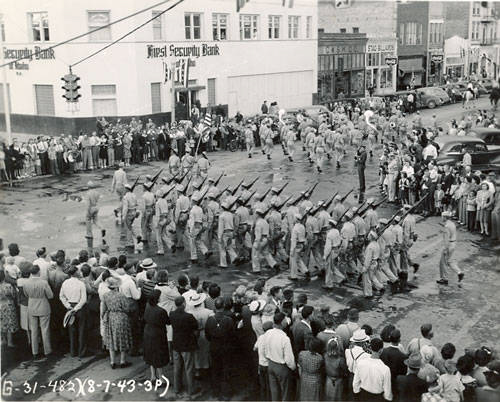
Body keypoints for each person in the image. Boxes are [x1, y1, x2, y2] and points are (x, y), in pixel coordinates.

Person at [169, 295, 199, 398]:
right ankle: (191, 389)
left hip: (176, 344)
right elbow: (196, 327)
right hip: (187, 344)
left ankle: (177, 388)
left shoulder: (172, 314)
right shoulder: (189, 317)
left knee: (177, 368)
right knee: (189, 367)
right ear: (183, 304)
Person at [205, 296, 235, 400]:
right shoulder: (229, 320)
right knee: (226, 370)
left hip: (214, 347)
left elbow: (207, 335)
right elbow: (232, 335)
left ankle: (215, 392)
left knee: (215, 369)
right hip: (226, 348)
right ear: (223, 306)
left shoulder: (210, 320)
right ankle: (226, 393)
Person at [263, 312, 296, 401]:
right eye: (285, 320)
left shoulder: (268, 333)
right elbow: (289, 359)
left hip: (270, 364)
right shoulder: (284, 338)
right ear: (281, 322)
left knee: (274, 391)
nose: (286, 322)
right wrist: (293, 367)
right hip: (281, 367)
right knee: (285, 392)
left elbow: (264, 347)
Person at [22, 264, 53, 359]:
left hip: (32, 306)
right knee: (45, 329)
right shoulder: (43, 283)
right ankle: (47, 351)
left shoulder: (26, 283)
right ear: (38, 271)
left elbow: (26, 295)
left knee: (34, 330)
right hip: (43, 306)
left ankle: (34, 351)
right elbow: (50, 295)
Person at [101, 276, 133, 369]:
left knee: (111, 339)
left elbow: (103, 309)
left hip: (111, 317)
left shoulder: (105, 296)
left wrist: (104, 317)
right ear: (116, 286)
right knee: (122, 338)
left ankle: (112, 362)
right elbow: (126, 308)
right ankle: (122, 361)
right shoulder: (121, 295)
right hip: (121, 317)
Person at [59, 265, 88, 357]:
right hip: (79, 308)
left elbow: (61, 296)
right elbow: (83, 299)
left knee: (72, 330)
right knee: (82, 330)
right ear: (75, 273)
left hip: (69, 307)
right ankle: (81, 352)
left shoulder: (65, 283)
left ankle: (73, 351)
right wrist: (76, 309)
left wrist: (68, 306)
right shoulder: (81, 284)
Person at [353, 337, 392, 401]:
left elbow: (355, 384)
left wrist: (358, 395)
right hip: (377, 398)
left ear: (370, 348)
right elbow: (387, 393)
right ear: (381, 350)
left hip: (363, 395)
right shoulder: (385, 369)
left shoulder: (360, 363)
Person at [143, 289, 170, 383]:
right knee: (159, 356)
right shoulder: (161, 311)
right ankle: (161, 379)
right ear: (157, 298)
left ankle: (153, 376)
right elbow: (168, 322)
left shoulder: (147, 306)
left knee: (150, 354)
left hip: (147, 332)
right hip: (158, 334)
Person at [437, 211, 464, 286]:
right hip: (453, 243)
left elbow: (446, 239)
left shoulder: (447, 226)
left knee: (443, 262)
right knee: (450, 261)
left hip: (449, 245)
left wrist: (445, 249)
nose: (441, 218)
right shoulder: (452, 224)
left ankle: (444, 279)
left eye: (442, 216)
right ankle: (459, 272)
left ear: (445, 217)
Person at [380, 329, 407, 399]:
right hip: (396, 383)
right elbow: (404, 372)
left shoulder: (383, 352)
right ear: (399, 340)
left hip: (384, 381)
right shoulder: (403, 356)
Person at [323, 336, 347, 400]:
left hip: (328, 380)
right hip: (338, 381)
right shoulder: (340, 359)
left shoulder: (325, 356)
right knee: (338, 397)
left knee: (328, 397)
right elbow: (344, 371)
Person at [0, 270, 19, 348]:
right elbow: (14, 295)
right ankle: (10, 342)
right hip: (9, 305)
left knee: (2, 322)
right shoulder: (8, 286)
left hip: (0, 305)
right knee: (10, 323)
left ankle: (3, 340)